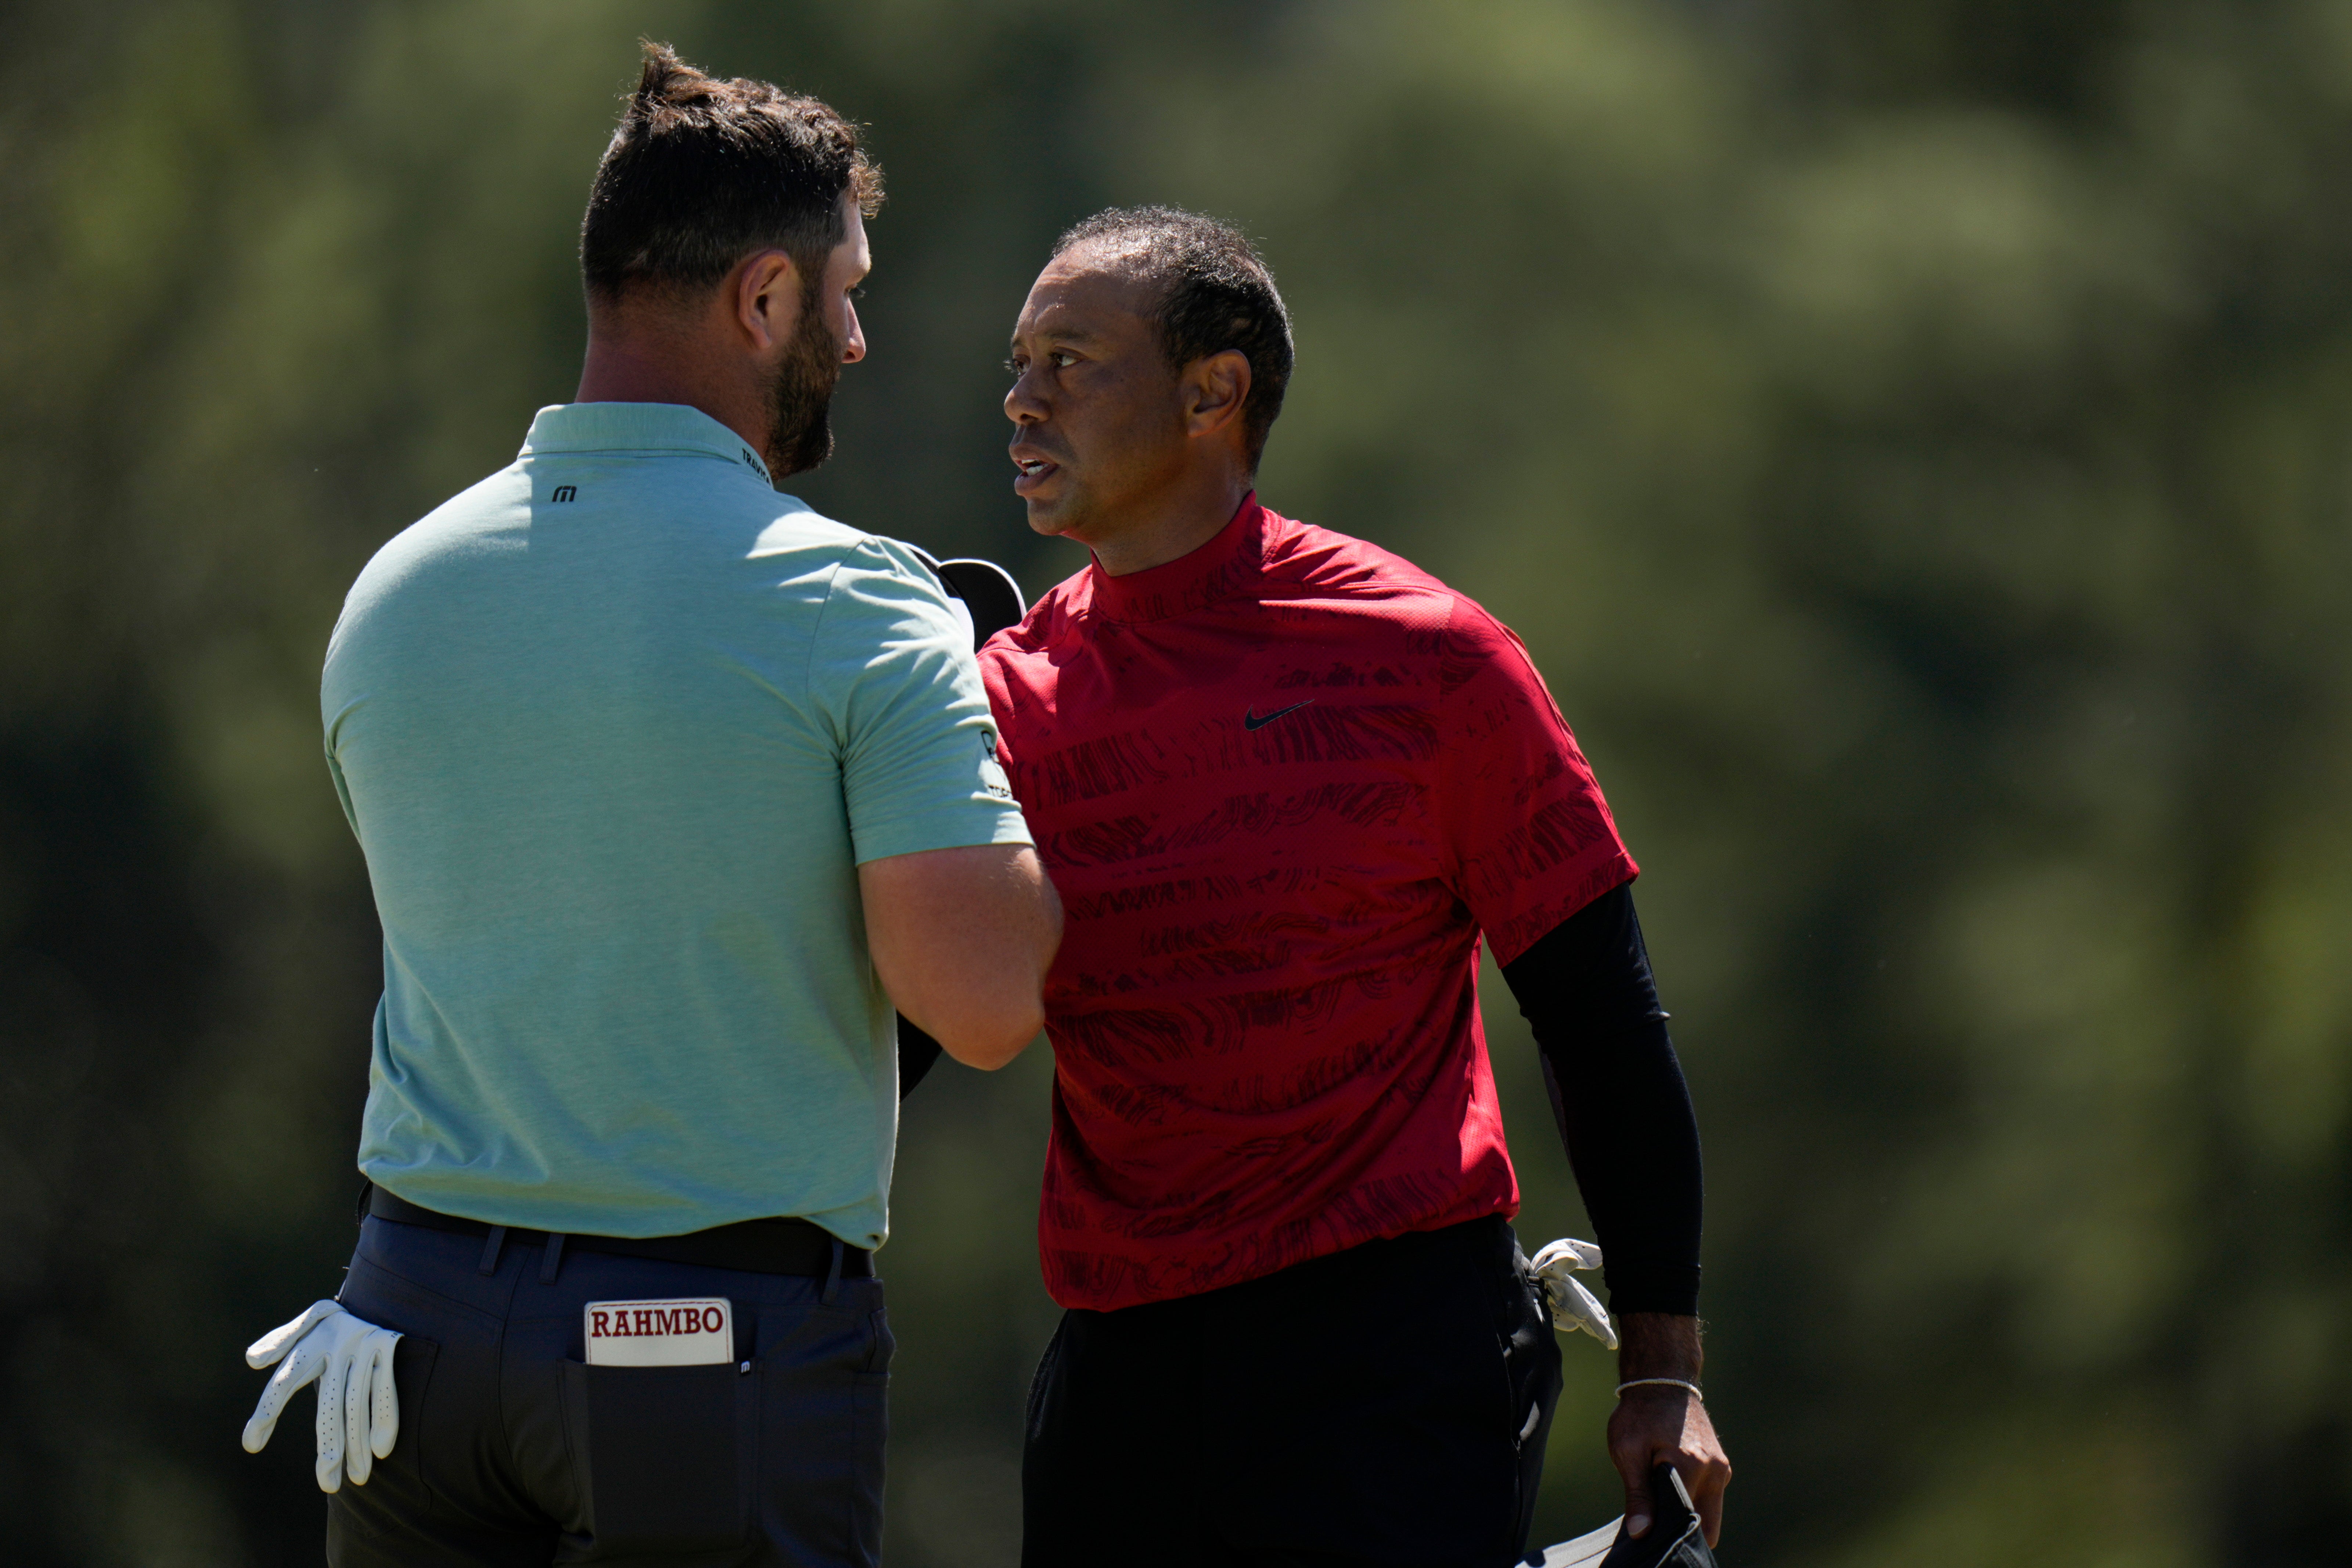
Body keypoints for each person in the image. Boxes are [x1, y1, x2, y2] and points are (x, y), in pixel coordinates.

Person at [237, 46, 1061, 1568]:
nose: (861, 337)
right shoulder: (856, 599)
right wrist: (1002, 761)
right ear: (762, 300)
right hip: (702, 1339)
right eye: (845, 291)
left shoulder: (395, 589)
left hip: (401, 1326)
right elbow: (987, 996)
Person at [981, 207, 1730, 1568]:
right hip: (1121, 1375)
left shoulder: (1427, 659)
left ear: (1215, 392)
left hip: (1384, 1355)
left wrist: (1662, 1371)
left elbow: (1600, 1022)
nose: (1022, 399)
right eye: (1020, 363)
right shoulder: (1000, 693)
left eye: (1071, 362)